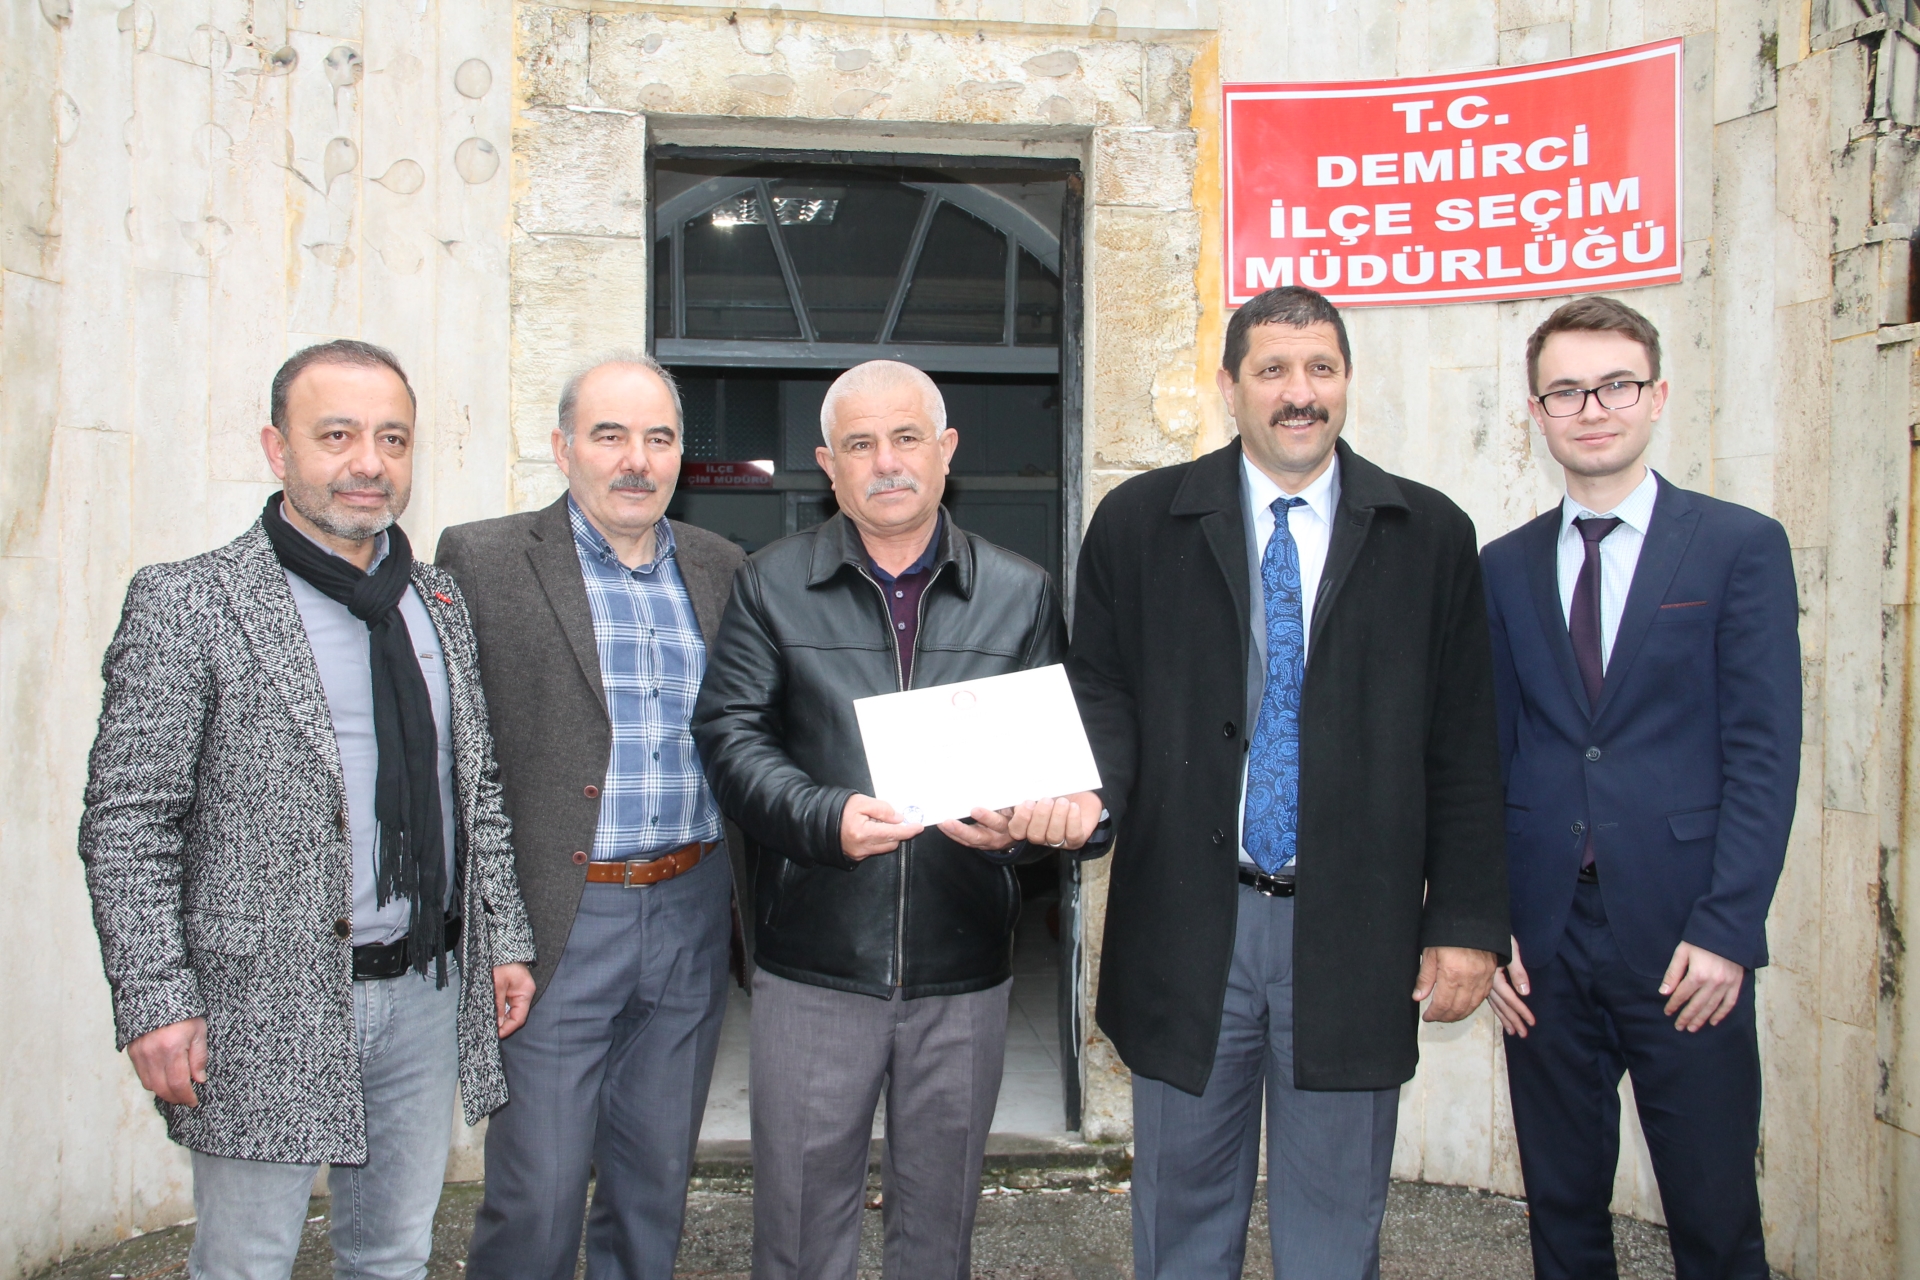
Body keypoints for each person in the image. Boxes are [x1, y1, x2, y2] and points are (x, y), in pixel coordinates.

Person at [1066, 286, 1510, 1279]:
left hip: (1357, 934)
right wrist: (1084, 799)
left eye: (1320, 368)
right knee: (1180, 1225)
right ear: (1230, 387)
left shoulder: (1430, 534)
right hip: (1191, 926)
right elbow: (1100, 696)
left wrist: (1467, 921)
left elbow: (1465, 741)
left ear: (1347, 382)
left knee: (1334, 1232)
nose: (1298, 392)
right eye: (1272, 370)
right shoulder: (1140, 523)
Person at [79, 339, 536, 1280]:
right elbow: (128, 824)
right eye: (337, 435)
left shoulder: (437, 602)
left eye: (392, 439)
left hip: (426, 990)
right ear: (276, 449)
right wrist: (156, 1002)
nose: (369, 462)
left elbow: (476, 790)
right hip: (260, 1006)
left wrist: (506, 939)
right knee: (246, 1262)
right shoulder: (192, 601)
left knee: (393, 1256)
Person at [691, 359, 1103, 1280]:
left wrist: (1019, 827)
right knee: (800, 1229)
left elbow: (1054, 766)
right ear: (827, 466)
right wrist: (821, 816)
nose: (887, 462)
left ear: (946, 450)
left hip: (964, 968)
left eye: (907, 437)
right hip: (815, 961)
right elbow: (728, 735)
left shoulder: (1021, 590)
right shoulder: (769, 583)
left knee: (939, 1230)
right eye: (860, 444)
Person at [1481, 296, 1800, 1280]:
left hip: (1685, 943)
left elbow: (1764, 751)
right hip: (1542, 946)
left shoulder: (1737, 545)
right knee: (1562, 1212)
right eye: (1566, 391)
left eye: (1615, 385)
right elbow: (1487, 759)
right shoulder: (1502, 567)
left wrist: (1729, 928)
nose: (1592, 409)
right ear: (1536, 412)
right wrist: (1487, 924)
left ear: (1656, 396)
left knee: (1715, 1217)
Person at [437, 353, 746, 1280]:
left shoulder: (722, 566)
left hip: (692, 905)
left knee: (654, 1182)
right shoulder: (483, 560)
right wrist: (491, 928)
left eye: (659, 438)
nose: (636, 461)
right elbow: (460, 760)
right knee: (537, 1193)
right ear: (563, 446)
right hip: (558, 920)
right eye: (610, 436)